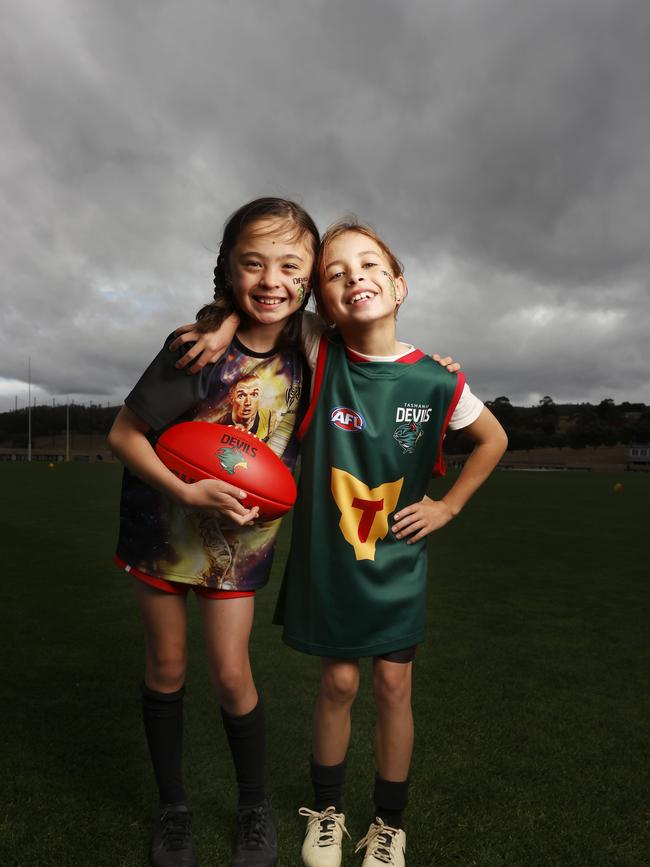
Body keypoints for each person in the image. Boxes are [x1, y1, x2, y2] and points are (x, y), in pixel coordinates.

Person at [273, 220, 509, 867]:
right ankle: (326, 813)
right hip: (330, 562)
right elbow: (266, 296)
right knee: (340, 682)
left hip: (396, 560)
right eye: (336, 273)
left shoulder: (437, 379)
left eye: (370, 265)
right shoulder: (321, 353)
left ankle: (388, 824)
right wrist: (215, 321)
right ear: (321, 303)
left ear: (399, 286)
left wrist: (448, 504)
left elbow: (494, 438)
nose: (356, 278)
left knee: (394, 687)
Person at [108, 197, 320, 867]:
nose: (271, 281)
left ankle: (254, 806)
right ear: (227, 268)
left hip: (238, 543)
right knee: (167, 666)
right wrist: (185, 488)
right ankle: (174, 808)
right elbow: (122, 434)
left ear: (311, 274)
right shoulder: (194, 351)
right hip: (164, 527)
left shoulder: (312, 348)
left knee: (232, 673)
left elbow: (363, 327)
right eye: (252, 264)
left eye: (291, 265)